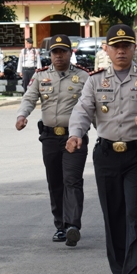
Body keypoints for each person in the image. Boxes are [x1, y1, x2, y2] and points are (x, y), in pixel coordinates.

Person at [66, 24, 137, 274]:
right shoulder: (94, 80)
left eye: (127, 46)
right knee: (113, 215)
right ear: (107, 50)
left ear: (134, 49)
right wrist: (76, 134)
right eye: (116, 46)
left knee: (136, 215)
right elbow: (82, 110)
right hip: (107, 155)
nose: (122, 51)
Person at [16, 34, 91, 246]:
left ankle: (72, 225)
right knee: (55, 182)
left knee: (72, 180)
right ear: (50, 55)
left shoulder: (84, 77)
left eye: (63, 51)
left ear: (70, 53)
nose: (59, 56)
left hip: (75, 137)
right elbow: (29, 98)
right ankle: (60, 226)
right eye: (55, 52)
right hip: (49, 137)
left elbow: (92, 105)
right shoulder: (41, 76)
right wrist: (22, 115)